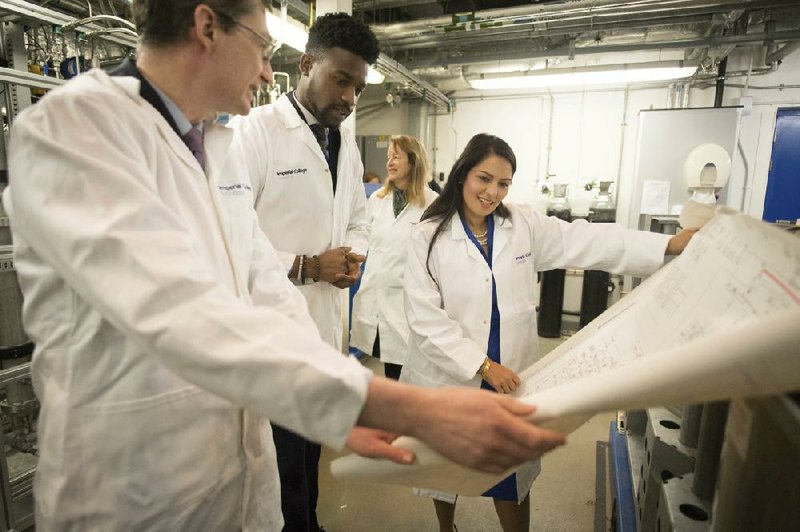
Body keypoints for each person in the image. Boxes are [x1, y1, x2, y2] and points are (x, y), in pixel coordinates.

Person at [2, 3, 566, 530]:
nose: (267, 70)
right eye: (264, 48)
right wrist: (402, 405)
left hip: (226, 465)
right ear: (207, 27)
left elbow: (265, 286)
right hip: (129, 481)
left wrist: (342, 398)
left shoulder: (213, 146)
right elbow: (176, 312)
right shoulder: (78, 129)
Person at [401, 133, 696, 532]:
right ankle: (446, 527)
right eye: (483, 179)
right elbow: (424, 320)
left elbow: (585, 239)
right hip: (452, 373)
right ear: (462, 175)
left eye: (503, 184)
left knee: (509, 474)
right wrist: (483, 365)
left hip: (509, 376)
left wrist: (668, 244)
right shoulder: (428, 236)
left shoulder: (520, 224)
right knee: (443, 469)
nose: (492, 193)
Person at [233, 12, 382, 531]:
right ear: (306, 64)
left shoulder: (345, 142)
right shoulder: (255, 134)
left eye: (359, 88)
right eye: (341, 79)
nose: (349, 97)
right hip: (272, 339)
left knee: (309, 459)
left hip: (323, 332)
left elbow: (359, 219)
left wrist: (352, 257)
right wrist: (308, 265)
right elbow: (230, 238)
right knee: (279, 467)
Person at [350, 135, 438, 380]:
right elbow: (362, 238)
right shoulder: (377, 199)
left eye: (396, 156)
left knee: (407, 375)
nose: (389, 162)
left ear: (413, 161)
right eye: (388, 156)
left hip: (407, 307)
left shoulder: (432, 204)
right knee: (386, 369)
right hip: (375, 301)